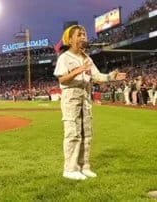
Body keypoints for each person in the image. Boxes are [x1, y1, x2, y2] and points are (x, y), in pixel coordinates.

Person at [53, 25, 126, 180]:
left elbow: (97, 76)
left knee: (87, 133)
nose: (83, 38)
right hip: (71, 98)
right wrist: (77, 71)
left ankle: (84, 166)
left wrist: (111, 76)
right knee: (73, 133)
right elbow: (62, 80)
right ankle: (70, 169)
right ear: (70, 39)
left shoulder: (87, 58)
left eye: (84, 35)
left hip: (86, 98)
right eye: (79, 35)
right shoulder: (64, 57)